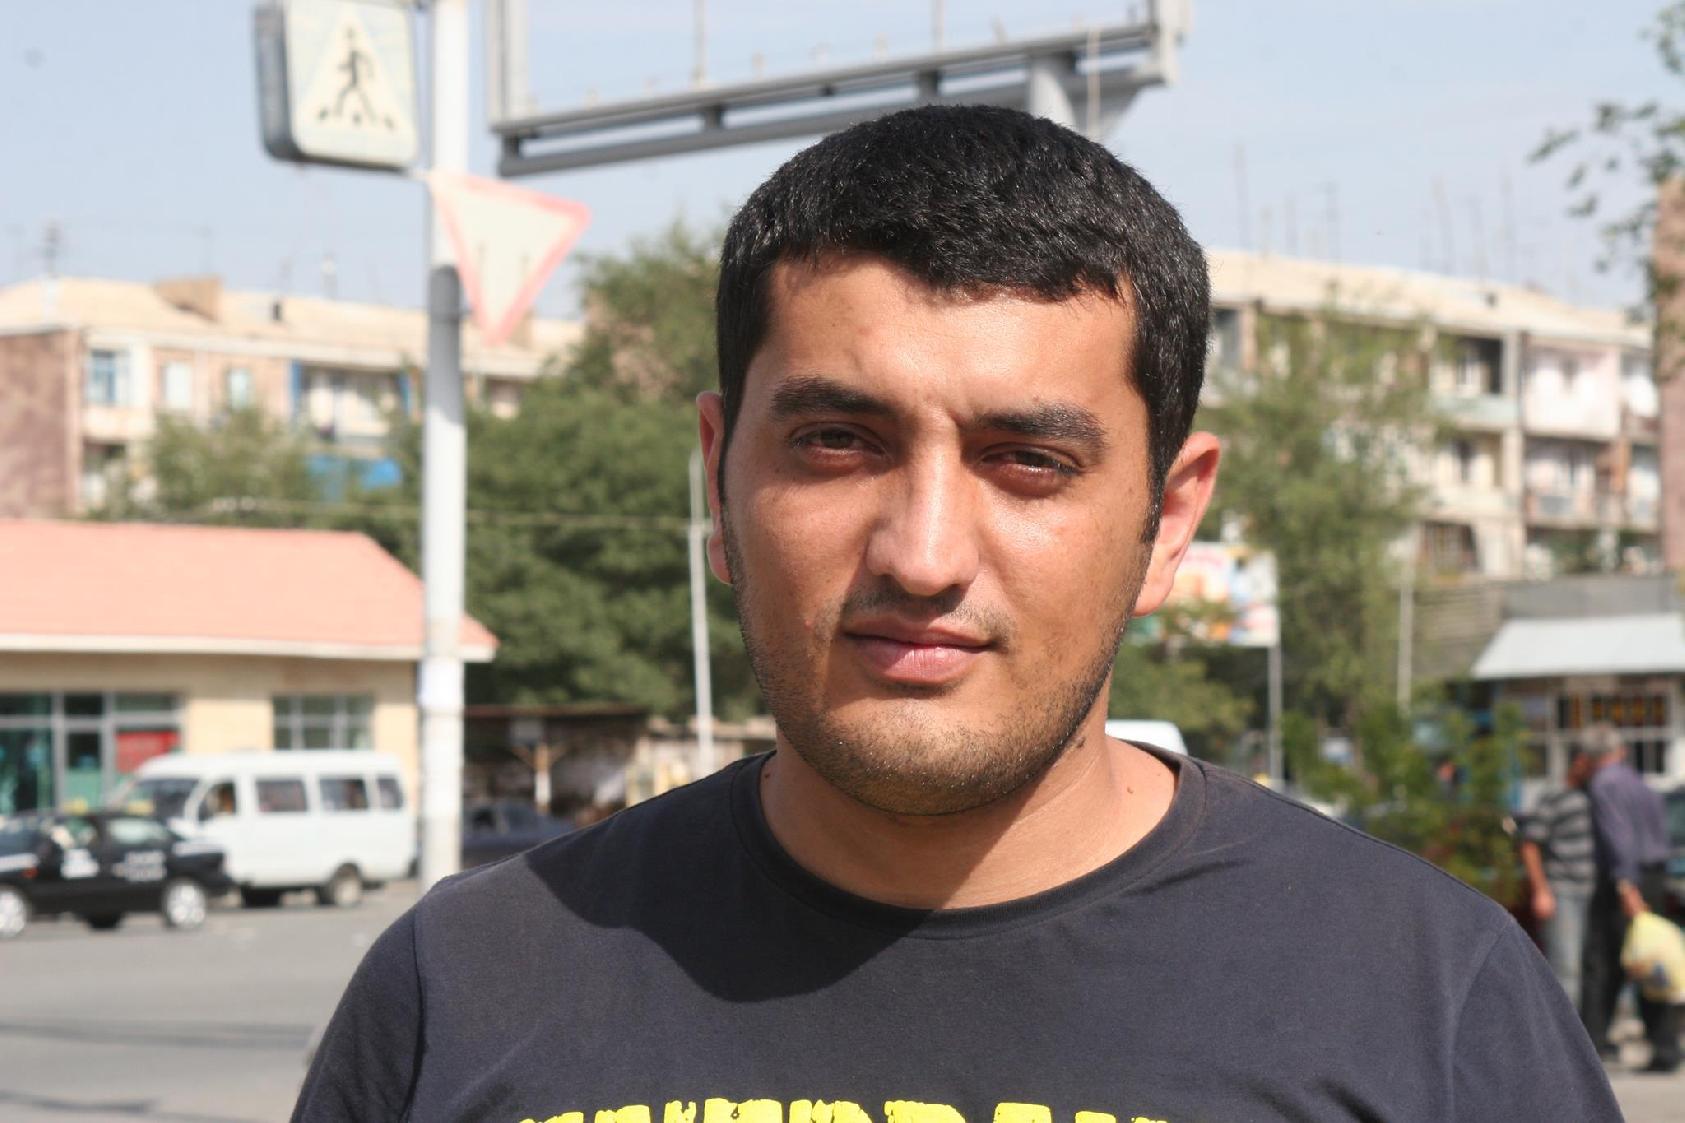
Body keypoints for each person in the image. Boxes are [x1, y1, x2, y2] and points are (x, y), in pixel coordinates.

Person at [293, 105, 1617, 1122]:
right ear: (717, 478)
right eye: (835, 441)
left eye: (1027, 459)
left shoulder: (1431, 1000)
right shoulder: (468, 982)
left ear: (1168, 518)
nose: (923, 555)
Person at [1580, 722, 1679, 1073]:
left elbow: (1617, 836)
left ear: (1589, 756)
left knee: (1602, 966)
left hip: (1625, 883)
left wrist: (1626, 885)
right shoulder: (1640, 783)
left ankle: (1590, 1049)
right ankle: (1665, 1048)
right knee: (1649, 962)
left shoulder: (1604, 785)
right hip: (1653, 877)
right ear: (1619, 750)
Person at [1519, 749, 1597, 1003]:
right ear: (1580, 761)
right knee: (1566, 968)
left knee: (1586, 967)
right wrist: (1541, 891)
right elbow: (1530, 844)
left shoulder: (1593, 795)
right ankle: (1562, 1028)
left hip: (1592, 891)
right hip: (1563, 890)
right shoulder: (1554, 795)